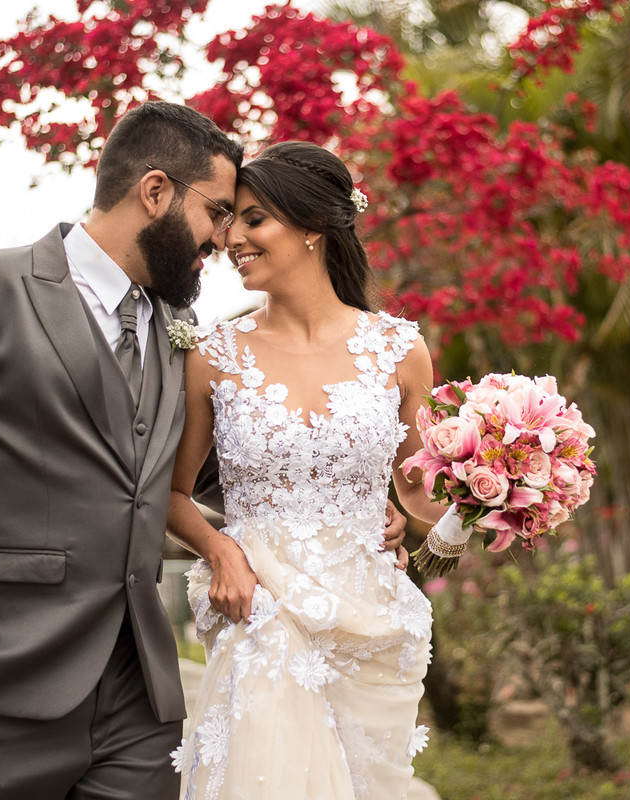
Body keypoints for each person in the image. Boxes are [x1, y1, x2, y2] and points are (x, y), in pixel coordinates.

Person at [0, 101, 243, 799]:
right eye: (218, 212)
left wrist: (357, 505)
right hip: (1, 673)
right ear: (156, 191)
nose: (222, 239)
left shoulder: (180, 323)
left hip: (142, 695)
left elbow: (212, 468)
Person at [167, 141, 451, 799]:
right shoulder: (214, 357)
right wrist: (222, 552)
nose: (230, 236)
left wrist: (496, 484)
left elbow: (421, 497)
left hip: (370, 626)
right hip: (261, 612)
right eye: (230, 219)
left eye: (253, 219)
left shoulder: (402, 353)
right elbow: (171, 495)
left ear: (314, 229)